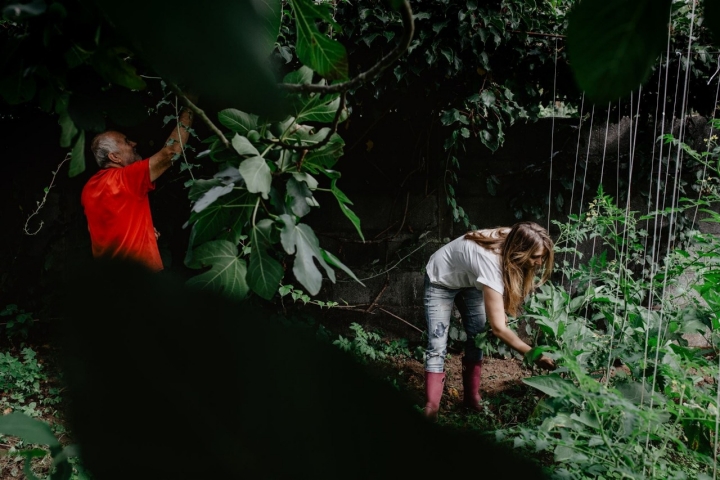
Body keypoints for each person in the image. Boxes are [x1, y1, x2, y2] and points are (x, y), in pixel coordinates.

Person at [422, 221, 556, 421]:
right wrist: (535, 355)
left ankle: (471, 398)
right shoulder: (491, 263)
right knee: (437, 343)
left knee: (477, 335)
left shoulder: (516, 237)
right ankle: (431, 407)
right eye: (536, 257)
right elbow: (499, 329)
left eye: (543, 256)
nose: (539, 262)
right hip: (441, 279)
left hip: (471, 279)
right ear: (521, 251)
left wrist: (499, 306)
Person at [81, 104, 195, 272]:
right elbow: (170, 152)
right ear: (114, 157)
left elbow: (96, 228)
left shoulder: (89, 188)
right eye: (126, 142)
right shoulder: (126, 178)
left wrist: (144, 230)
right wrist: (190, 106)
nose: (134, 143)